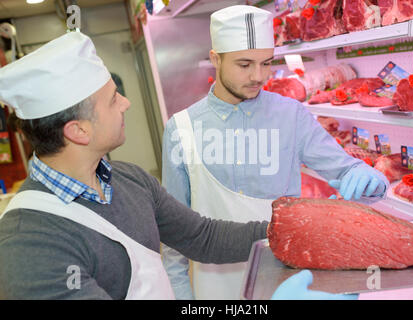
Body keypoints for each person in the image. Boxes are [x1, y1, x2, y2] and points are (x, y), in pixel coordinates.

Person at [0, 31, 270, 299]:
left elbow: (202, 237)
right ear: (78, 131)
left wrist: (282, 232)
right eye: (113, 99)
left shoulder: (130, 179)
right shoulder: (28, 245)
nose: (126, 104)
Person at [161, 5, 389, 300]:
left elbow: (348, 173)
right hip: (216, 288)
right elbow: (175, 237)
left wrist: (369, 179)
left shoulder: (291, 115)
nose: (258, 76)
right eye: (244, 64)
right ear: (216, 59)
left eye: (266, 63)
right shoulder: (181, 129)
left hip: (288, 282)